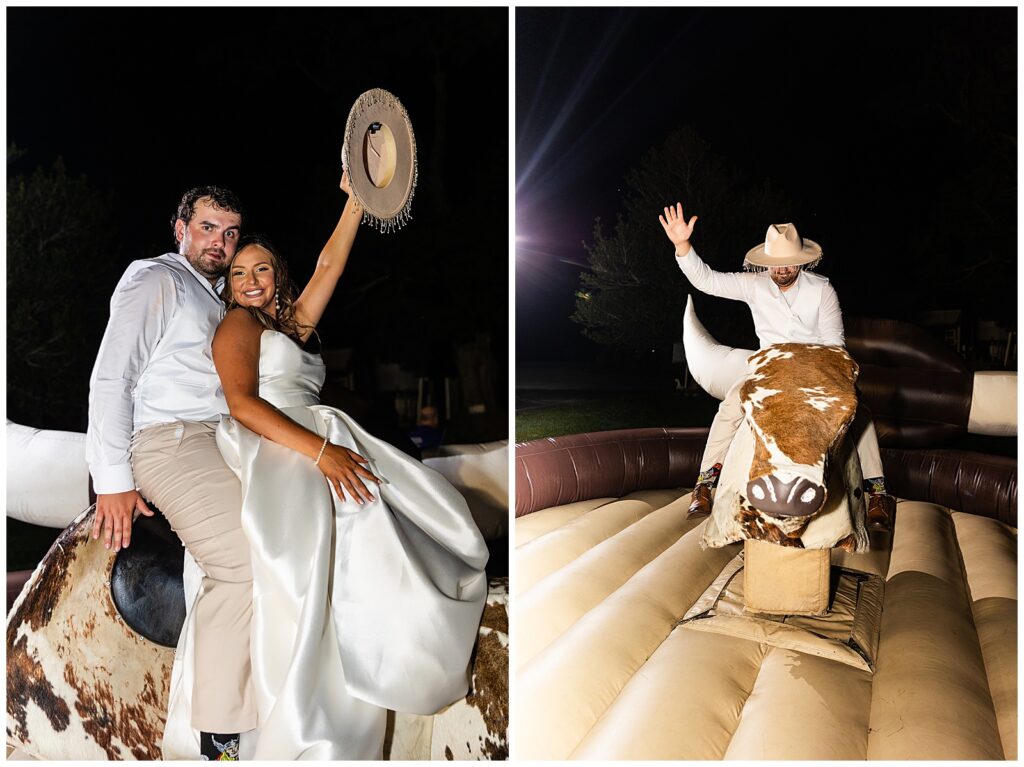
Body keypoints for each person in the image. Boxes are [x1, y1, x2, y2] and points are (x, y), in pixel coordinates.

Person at [162, 171, 489, 760]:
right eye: (238, 272)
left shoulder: (291, 324)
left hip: (319, 440)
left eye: (261, 269)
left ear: (277, 278)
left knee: (383, 536)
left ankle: (373, 671)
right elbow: (241, 405)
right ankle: (294, 728)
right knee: (302, 574)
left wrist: (357, 202)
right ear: (228, 286)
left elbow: (329, 268)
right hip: (279, 452)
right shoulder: (236, 326)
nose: (250, 279)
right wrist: (319, 452)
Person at [86, 186, 257, 759]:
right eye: (208, 227)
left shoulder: (218, 297)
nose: (220, 242)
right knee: (240, 563)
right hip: (171, 442)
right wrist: (112, 479)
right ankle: (218, 735)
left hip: (218, 441)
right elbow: (112, 375)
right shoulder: (156, 279)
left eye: (230, 232)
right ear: (179, 228)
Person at [659, 202, 895, 529]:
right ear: (767, 263)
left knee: (861, 414)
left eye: (789, 264)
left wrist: (831, 381)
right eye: (776, 264)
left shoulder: (822, 289)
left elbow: (835, 342)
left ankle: (878, 493)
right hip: (769, 368)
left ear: (802, 261)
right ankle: (704, 485)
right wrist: (682, 246)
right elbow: (708, 281)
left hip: (814, 366)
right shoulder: (754, 285)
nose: (782, 270)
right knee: (730, 407)